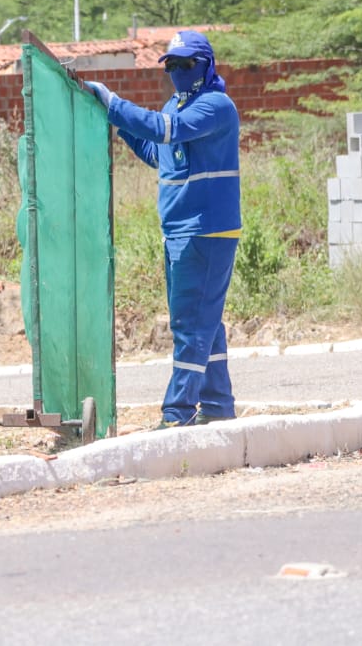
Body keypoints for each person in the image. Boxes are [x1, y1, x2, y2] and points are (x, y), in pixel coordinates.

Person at [84, 30, 241, 427]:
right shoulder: (178, 105)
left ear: (205, 66)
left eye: (185, 64)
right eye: (171, 65)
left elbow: (165, 129)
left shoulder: (214, 106)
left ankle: (178, 412)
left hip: (205, 231)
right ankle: (218, 405)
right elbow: (161, 152)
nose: (177, 71)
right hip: (178, 232)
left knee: (190, 324)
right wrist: (120, 127)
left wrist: (115, 104)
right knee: (206, 322)